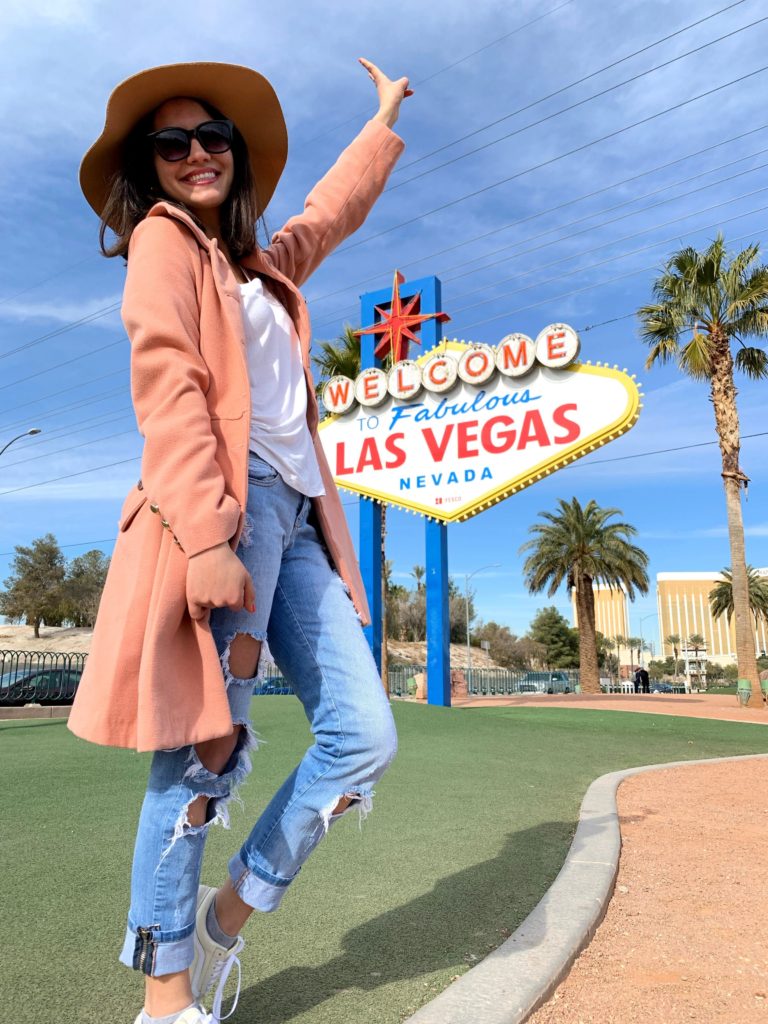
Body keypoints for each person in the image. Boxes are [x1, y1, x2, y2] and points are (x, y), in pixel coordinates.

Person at [68, 58, 411, 1024]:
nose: (195, 154)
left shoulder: (260, 266)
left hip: (301, 521)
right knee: (198, 761)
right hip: (228, 511)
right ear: (151, 167)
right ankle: (163, 996)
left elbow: (328, 213)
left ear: (234, 153)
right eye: (170, 144)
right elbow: (168, 382)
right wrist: (213, 536)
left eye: (211, 136)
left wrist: (382, 120)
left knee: (362, 738)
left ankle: (234, 905)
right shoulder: (162, 244)